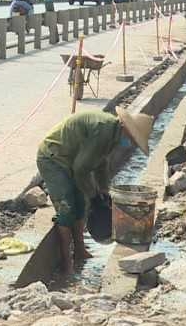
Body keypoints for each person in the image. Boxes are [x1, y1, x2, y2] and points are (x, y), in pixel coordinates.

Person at [36, 109, 153, 274]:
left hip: (70, 160)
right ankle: (66, 262)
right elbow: (81, 169)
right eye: (133, 140)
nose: (131, 144)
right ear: (126, 129)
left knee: (81, 205)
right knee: (67, 207)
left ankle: (80, 251)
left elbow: (101, 163)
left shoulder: (113, 134)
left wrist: (103, 189)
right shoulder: (103, 130)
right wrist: (92, 194)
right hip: (53, 158)